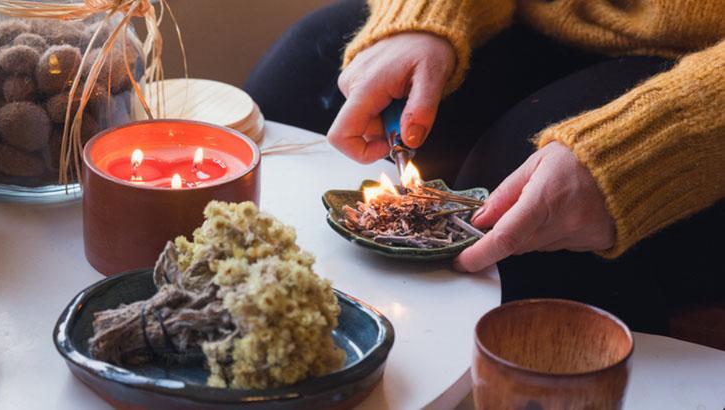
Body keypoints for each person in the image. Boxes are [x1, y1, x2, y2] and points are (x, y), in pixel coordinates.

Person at [245, 0, 725, 334]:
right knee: (292, 87)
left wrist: (657, 143)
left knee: (510, 213)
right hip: (535, 17)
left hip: (705, 80)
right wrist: (422, 18)